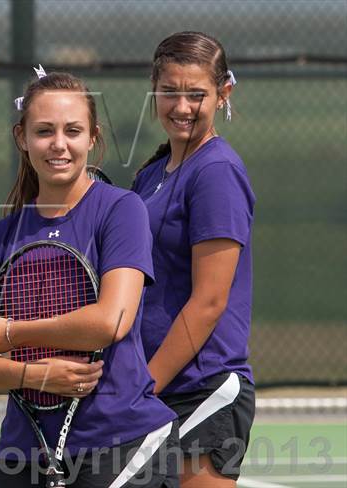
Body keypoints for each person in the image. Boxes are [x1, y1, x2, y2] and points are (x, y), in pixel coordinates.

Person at [0, 69, 179, 488]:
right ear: (22, 138)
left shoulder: (122, 210)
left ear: (92, 138)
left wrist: (9, 333)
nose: (59, 144)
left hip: (120, 444)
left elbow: (111, 321)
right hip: (22, 452)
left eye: (72, 131)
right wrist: (34, 375)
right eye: (44, 131)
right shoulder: (0, 238)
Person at [131, 32, 256, 487]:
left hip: (201, 389)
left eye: (196, 94)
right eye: (170, 92)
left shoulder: (216, 172)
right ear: (154, 91)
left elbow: (209, 301)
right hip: (157, 389)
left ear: (224, 93)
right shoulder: (152, 173)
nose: (181, 106)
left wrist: (143, 387)